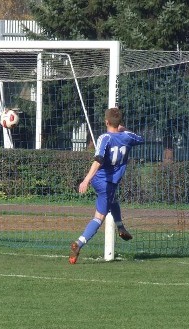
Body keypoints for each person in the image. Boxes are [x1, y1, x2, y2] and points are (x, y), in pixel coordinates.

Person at [69, 107, 144, 264]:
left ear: (106, 122)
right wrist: (86, 180)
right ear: (120, 122)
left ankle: (121, 227)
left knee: (113, 201)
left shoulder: (105, 138)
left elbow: (99, 159)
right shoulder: (128, 136)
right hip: (105, 183)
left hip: (103, 181)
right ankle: (79, 244)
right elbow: (140, 139)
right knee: (99, 217)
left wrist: (88, 179)